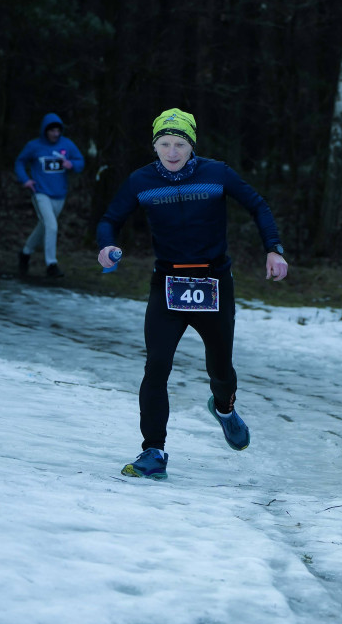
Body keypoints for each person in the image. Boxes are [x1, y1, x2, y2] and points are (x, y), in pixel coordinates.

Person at [97, 108, 289, 480]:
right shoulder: (141, 181)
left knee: (220, 369)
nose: (172, 152)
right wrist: (106, 246)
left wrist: (274, 248)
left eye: (179, 144)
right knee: (156, 367)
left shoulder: (216, 174)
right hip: (167, 285)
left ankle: (224, 409)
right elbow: (110, 220)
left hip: (213, 283)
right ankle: (153, 451)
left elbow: (257, 204)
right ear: (155, 147)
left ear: (191, 146)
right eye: (165, 144)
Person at [15, 113, 86, 277]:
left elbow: (80, 161)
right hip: (40, 193)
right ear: (45, 131)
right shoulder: (34, 146)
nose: (55, 134)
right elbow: (19, 162)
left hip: (59, 195)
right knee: (52, 226)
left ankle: (25, 253)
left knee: (44, 226)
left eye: (58, 131)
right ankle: (51, 265)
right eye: (52, 131)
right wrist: (25, 179)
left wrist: (71, 164)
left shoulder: (67, 145)